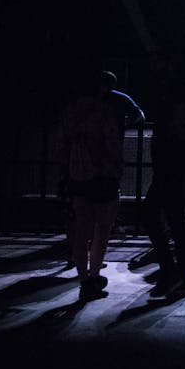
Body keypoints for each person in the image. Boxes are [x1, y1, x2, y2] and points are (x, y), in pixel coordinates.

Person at [142, 78, 185, 295]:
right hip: (177, 174)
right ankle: (181, 273)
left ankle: (172, 270)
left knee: (161, 219)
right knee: (178, 222)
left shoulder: (179, 113)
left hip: (168, 174)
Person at [60, 76, 124, 299]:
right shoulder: (102, 111)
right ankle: (94, 274)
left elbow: (64, 144)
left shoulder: (70, 112)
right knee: (102, 230)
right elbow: (112, 143)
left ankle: (83, 278)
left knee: (81, 229)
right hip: (102, 174)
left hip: (77, 175)